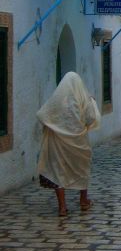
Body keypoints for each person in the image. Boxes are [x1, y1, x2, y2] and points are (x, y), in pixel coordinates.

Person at [37, 72, 101, 217]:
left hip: (57, 143)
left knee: (58, 171)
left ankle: (62, 208)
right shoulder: (83, 100)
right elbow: (91, 118)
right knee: (82, 169)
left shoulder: (56, 100)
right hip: (78, 143)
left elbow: (43, 115)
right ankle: (83, 200)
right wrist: (92, 101)